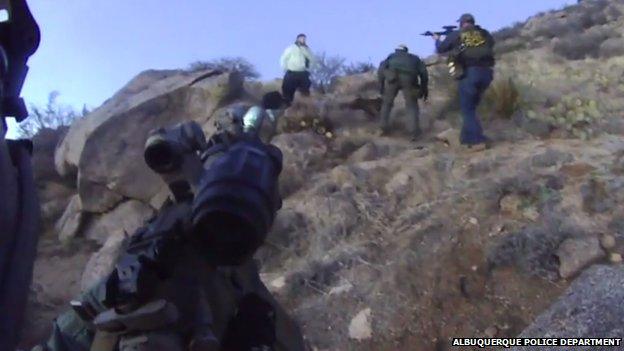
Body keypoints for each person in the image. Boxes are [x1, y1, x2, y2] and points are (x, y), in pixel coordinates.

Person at [432, 13, 495, 151]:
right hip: (487, 73)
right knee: (471, 107)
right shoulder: (483, 33)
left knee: (468, 109)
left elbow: (441, 49)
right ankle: (466, 138)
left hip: (470, 73)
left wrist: (437, 39)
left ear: (461, 23)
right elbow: (491, 44)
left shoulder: (457, 34)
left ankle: (476, 141)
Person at [377, 44, 429, 140]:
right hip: (409, 80)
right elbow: (424, 74)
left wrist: (381, 87)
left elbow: (381, 70)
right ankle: (413, 133)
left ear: (397, 50)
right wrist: (423, 89)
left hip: (392, 78)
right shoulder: (414, 58)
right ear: (406, 51)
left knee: (387, 104)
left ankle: (383, 128)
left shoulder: (391, 56)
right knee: (411, 106)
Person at [280, 34, 315, 105]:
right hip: (291, 73)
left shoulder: (307, 50)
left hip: (303, 73)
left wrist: (309, 70)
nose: (303, 40)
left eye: (304, 39)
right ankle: (287, 107)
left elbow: (313, 60)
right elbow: (283, 59)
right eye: (301, 38)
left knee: (305, 92)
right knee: (287, 92)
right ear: (297, 39)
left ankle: (305, 108)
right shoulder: (291, 48)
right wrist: (285, 69)